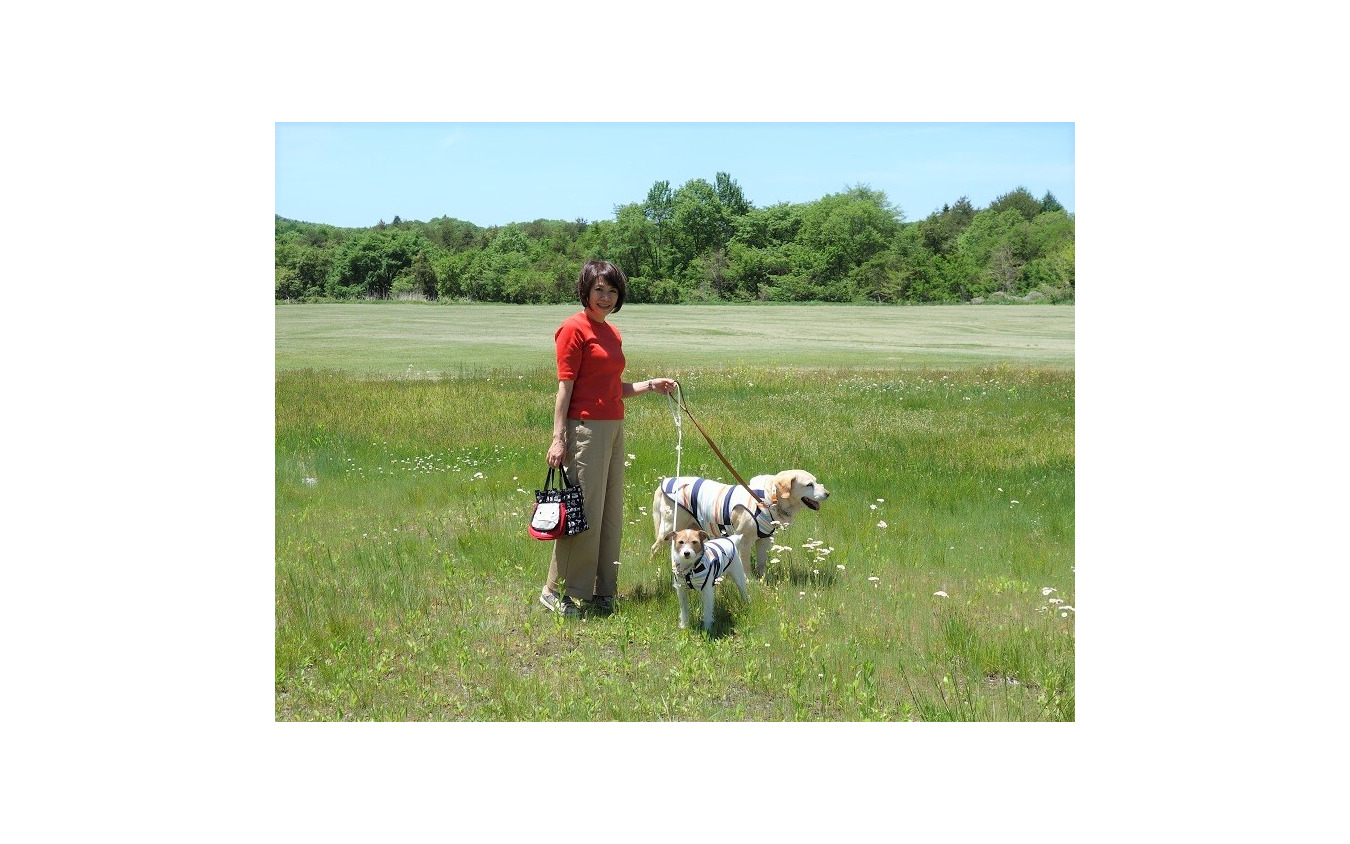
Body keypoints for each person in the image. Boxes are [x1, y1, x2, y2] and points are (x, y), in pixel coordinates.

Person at [540, 259, 675, 617]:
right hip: (584, 430)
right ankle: (558, 591)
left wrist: (650, 385)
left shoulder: (612, 334)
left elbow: (612, 386)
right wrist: (558, 438)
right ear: (585, 289)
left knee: (610, 514)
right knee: (582, 514)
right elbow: (564, 389)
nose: (605, 297)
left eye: (612, 291)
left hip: (614, 427)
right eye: (599, 289)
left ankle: (602, 591)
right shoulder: (573, 328)